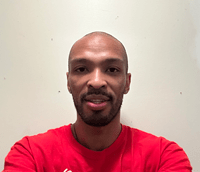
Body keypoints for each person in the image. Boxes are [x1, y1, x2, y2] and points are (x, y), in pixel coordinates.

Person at [2, 32, 192, 172]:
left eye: (112, 70)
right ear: (68, 82)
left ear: (127, 82)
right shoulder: (30, 155)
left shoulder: (164, 157)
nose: (96, 82)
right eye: (82, 69)